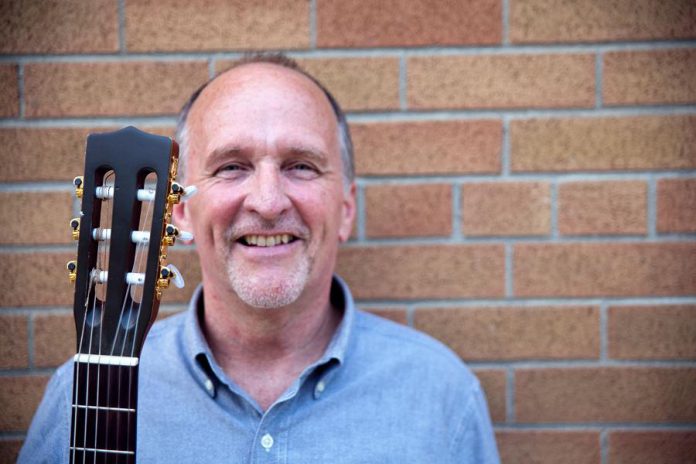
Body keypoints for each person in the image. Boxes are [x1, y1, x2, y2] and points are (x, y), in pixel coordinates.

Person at [19, 54, 500, 463]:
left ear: (346, 209)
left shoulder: (442, 398)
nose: (268, 202)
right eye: (231, 167)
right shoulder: (83, 395)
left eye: (301, 166)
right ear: (181, 210)